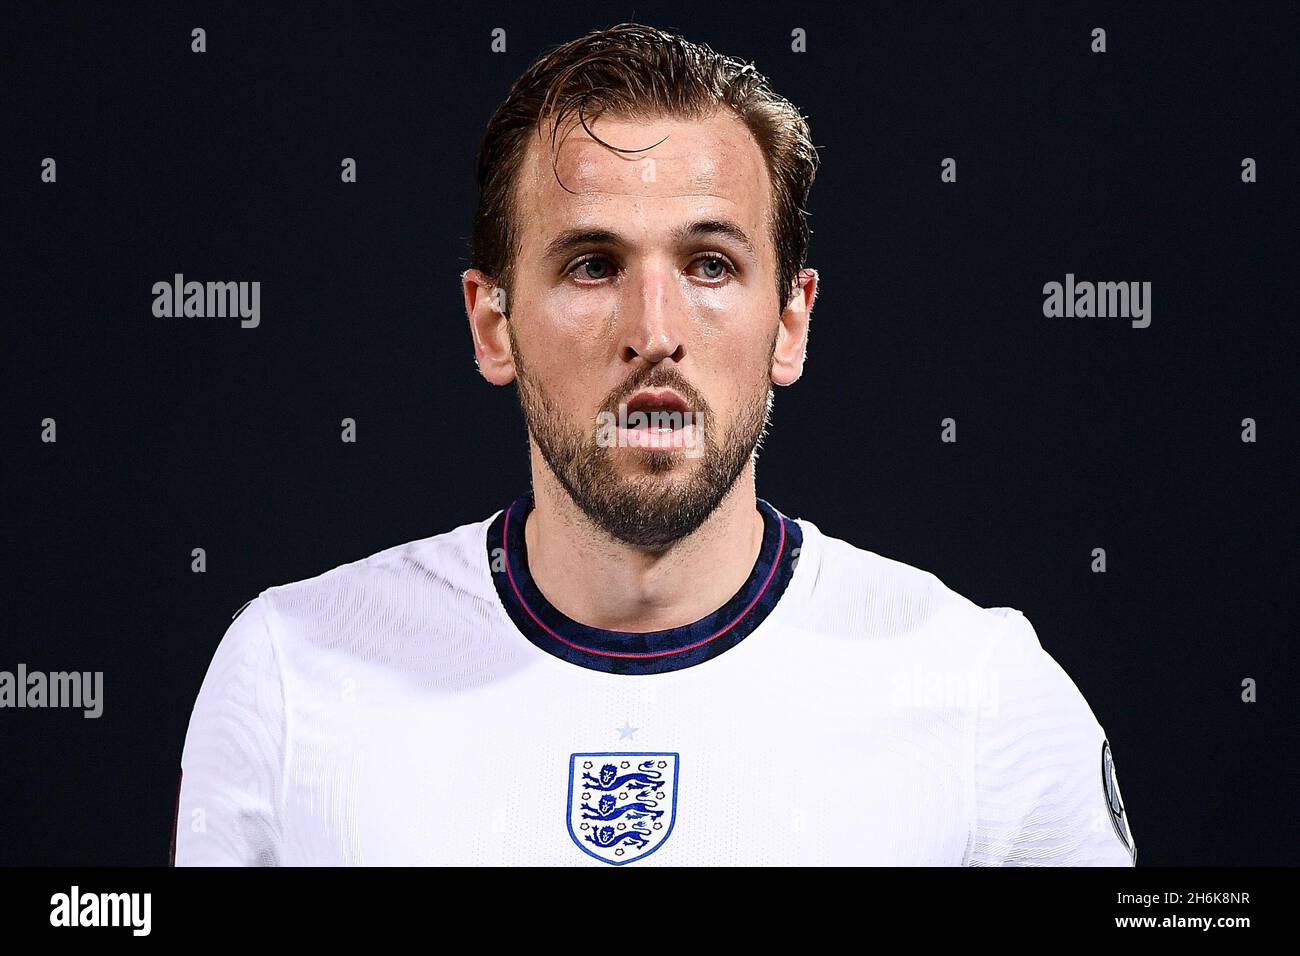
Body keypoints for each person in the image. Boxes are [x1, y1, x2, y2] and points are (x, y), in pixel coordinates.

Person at [173, 22, 1136, 866]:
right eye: (592, 265)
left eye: (710, 264)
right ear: (493, 323)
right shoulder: (291, 677)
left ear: (791, 323)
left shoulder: (980, 695)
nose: (654, 328)